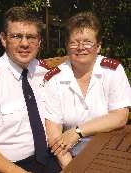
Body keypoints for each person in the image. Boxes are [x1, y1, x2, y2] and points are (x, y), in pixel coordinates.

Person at [44, 11, 131, 169]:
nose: (81, 47)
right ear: (66, 46)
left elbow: (120, 117)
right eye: (74, 42)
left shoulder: (113, 70)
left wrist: (77, 132)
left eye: (87, 42)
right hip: (69, 152)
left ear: (98, 46)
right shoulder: (54, 79)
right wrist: (72, 168)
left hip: (112, 148)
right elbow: (54, 134)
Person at [0, 6, 61, 173]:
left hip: (48, 157)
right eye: (17, 36)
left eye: (31, 37)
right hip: (8, 167)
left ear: (39, 41)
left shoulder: (44, 72)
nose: (25, 43)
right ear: (4, 39)